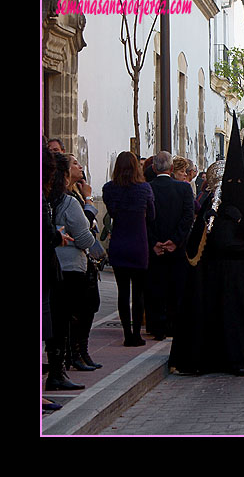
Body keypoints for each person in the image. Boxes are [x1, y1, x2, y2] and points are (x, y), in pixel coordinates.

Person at [171, 115, 244, 376]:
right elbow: (196, 243)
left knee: (239, 319)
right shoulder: (211, 206)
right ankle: (211, 357)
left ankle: (240, 359)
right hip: (215, 272)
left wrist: (242, 222)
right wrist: (210, 222)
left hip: (243, 273)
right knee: (214, 316)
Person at [102, 151, 155, 346]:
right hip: (138, 243)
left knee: (122, 292)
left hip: (119, 242)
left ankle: (126, 334)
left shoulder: (109, 189)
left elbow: (112, 212)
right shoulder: (144, 188)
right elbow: (152, 216)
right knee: (138, 292)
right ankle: (136, 334)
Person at [44, 148, 85, 392]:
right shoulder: (64, 200)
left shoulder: (54, 198)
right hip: (60, 265)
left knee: (57, 320)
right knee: (60, 320)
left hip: (56, 264)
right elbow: (79, 233)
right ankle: (57, 372)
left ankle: (59, 368)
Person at [145, 151, 195, 340]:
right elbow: (187, 216)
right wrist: (175, 241)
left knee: (156, 287)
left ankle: (157, 326)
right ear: (172, 169)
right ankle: (173, 326)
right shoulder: (183, 189)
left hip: (156, 248)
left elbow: (146, 219)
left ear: (154, 168)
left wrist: (154, 242)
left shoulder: (147, 188)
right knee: (176, 288)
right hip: (177, 248)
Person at [64, 154, 104, 370]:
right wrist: (89, 201)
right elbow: (84, 228)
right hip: (72, 259)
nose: (80, 166)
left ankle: (82, 351)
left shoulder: (77, 192)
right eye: (75, 163)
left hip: (84, 258)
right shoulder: (67, 197)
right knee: (77, 309)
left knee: (90, 305)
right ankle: (74, 353)